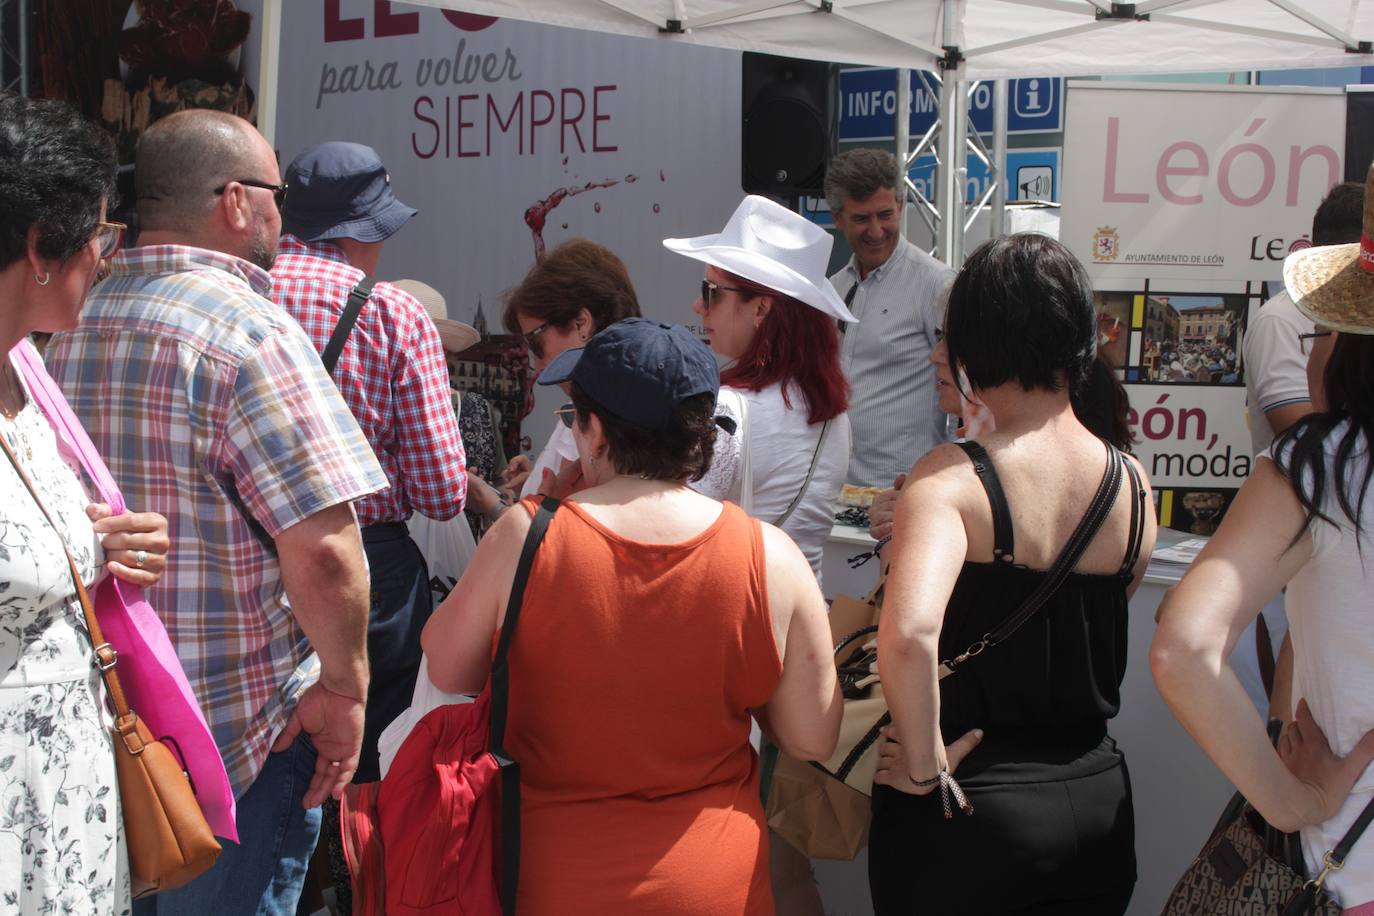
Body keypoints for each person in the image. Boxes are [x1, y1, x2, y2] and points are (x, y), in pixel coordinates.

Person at [44, 109, 387, 916]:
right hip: (234, 746)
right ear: (236, 201)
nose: (282, 214)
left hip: (106, 728)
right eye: (277, 193)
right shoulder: (250, 331)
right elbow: (325, 549)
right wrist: (346, 689)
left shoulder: (66, 323)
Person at [422, 318, 842, 916]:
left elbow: (447, 665)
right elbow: (812, 735)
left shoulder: (528, 538)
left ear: (595, 432)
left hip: (555, 878)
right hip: (714, 881)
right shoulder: (771, 556)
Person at [870, 233, 1155, 915]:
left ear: (982, 339)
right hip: (1097, 807)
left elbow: (908, 635)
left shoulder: (951, 477)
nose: (937, 354)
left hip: (971, 810)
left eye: (948, 336)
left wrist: (923, 770)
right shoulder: (1134, 483)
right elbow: (1097, 614)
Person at [1152, 168, 1374, 912]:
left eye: (1324, 329)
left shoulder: (1324, 466)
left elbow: (1183, 646)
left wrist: (1288, 801)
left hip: (1350, 865)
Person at [0, 93, 172, 916]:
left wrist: (101, 545)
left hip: (66, 802)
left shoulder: (25, 370)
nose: (105, 259)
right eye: (101, 235)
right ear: (42, 246)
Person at [271, 141, 468, 784]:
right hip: (366, 564)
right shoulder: (392, 314)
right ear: (363, 231)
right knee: (369, 766)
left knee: (261, 759)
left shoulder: (235, 291)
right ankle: (353, 849)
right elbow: (442, 492)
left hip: (245, 553)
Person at [664, 194, 854, 581]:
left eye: (712, 291)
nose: (698, 305)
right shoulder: (833, 413)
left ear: (761, 309)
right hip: (804, 608)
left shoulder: (731, 409)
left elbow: (671, 533)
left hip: (740, 609)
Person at [1239, 181, 1362, 719]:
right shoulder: (1278, 319)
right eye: (1319, 334)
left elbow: (1182, 643)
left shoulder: (1320, 461)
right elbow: (1296, 427)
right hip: (1293, 562)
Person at [825, 148, 955, 489]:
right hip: (837, 488)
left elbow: (969, 390)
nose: (876, 230)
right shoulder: (834, 289)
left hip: (905, 489)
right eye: (861, 219)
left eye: (885, 214)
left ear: (900, 205)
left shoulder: (936, 284)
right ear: (837, 218)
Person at [500, 238, 641, 498]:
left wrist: (492, 504)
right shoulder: (625, 402)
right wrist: (535, 482)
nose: (536, 365)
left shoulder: (597, 417)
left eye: (535, 343)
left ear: (581, 324)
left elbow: (568, 517)